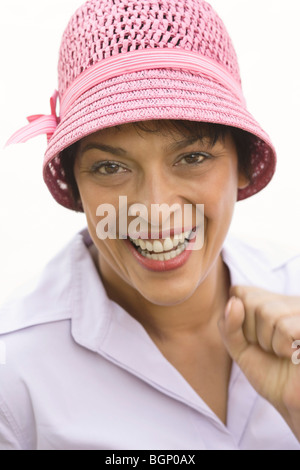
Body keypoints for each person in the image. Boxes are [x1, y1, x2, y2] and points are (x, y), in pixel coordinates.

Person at [1, 0, 300, 451]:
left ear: (241, 165)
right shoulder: (14, 371)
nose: (155, 210)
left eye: (193, 157)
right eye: (109, 168)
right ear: (77, 187)